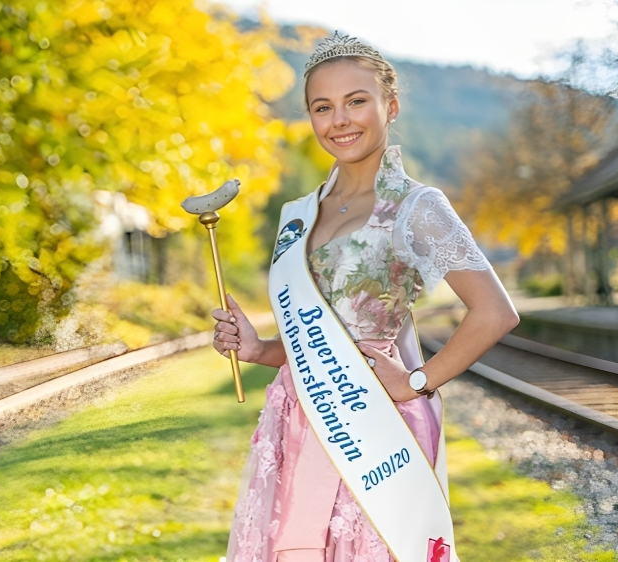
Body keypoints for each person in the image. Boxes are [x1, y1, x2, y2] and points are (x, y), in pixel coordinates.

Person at [212, 31, 519, 562]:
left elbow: (495, 312)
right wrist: (260, 349)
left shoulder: (417, 206)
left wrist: (415, 382)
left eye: (357, 101)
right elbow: (318, 331)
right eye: (322, 107)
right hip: (299, 410)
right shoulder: (302, 213)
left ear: (390, 106)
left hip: (375, 419)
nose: (340, 120)